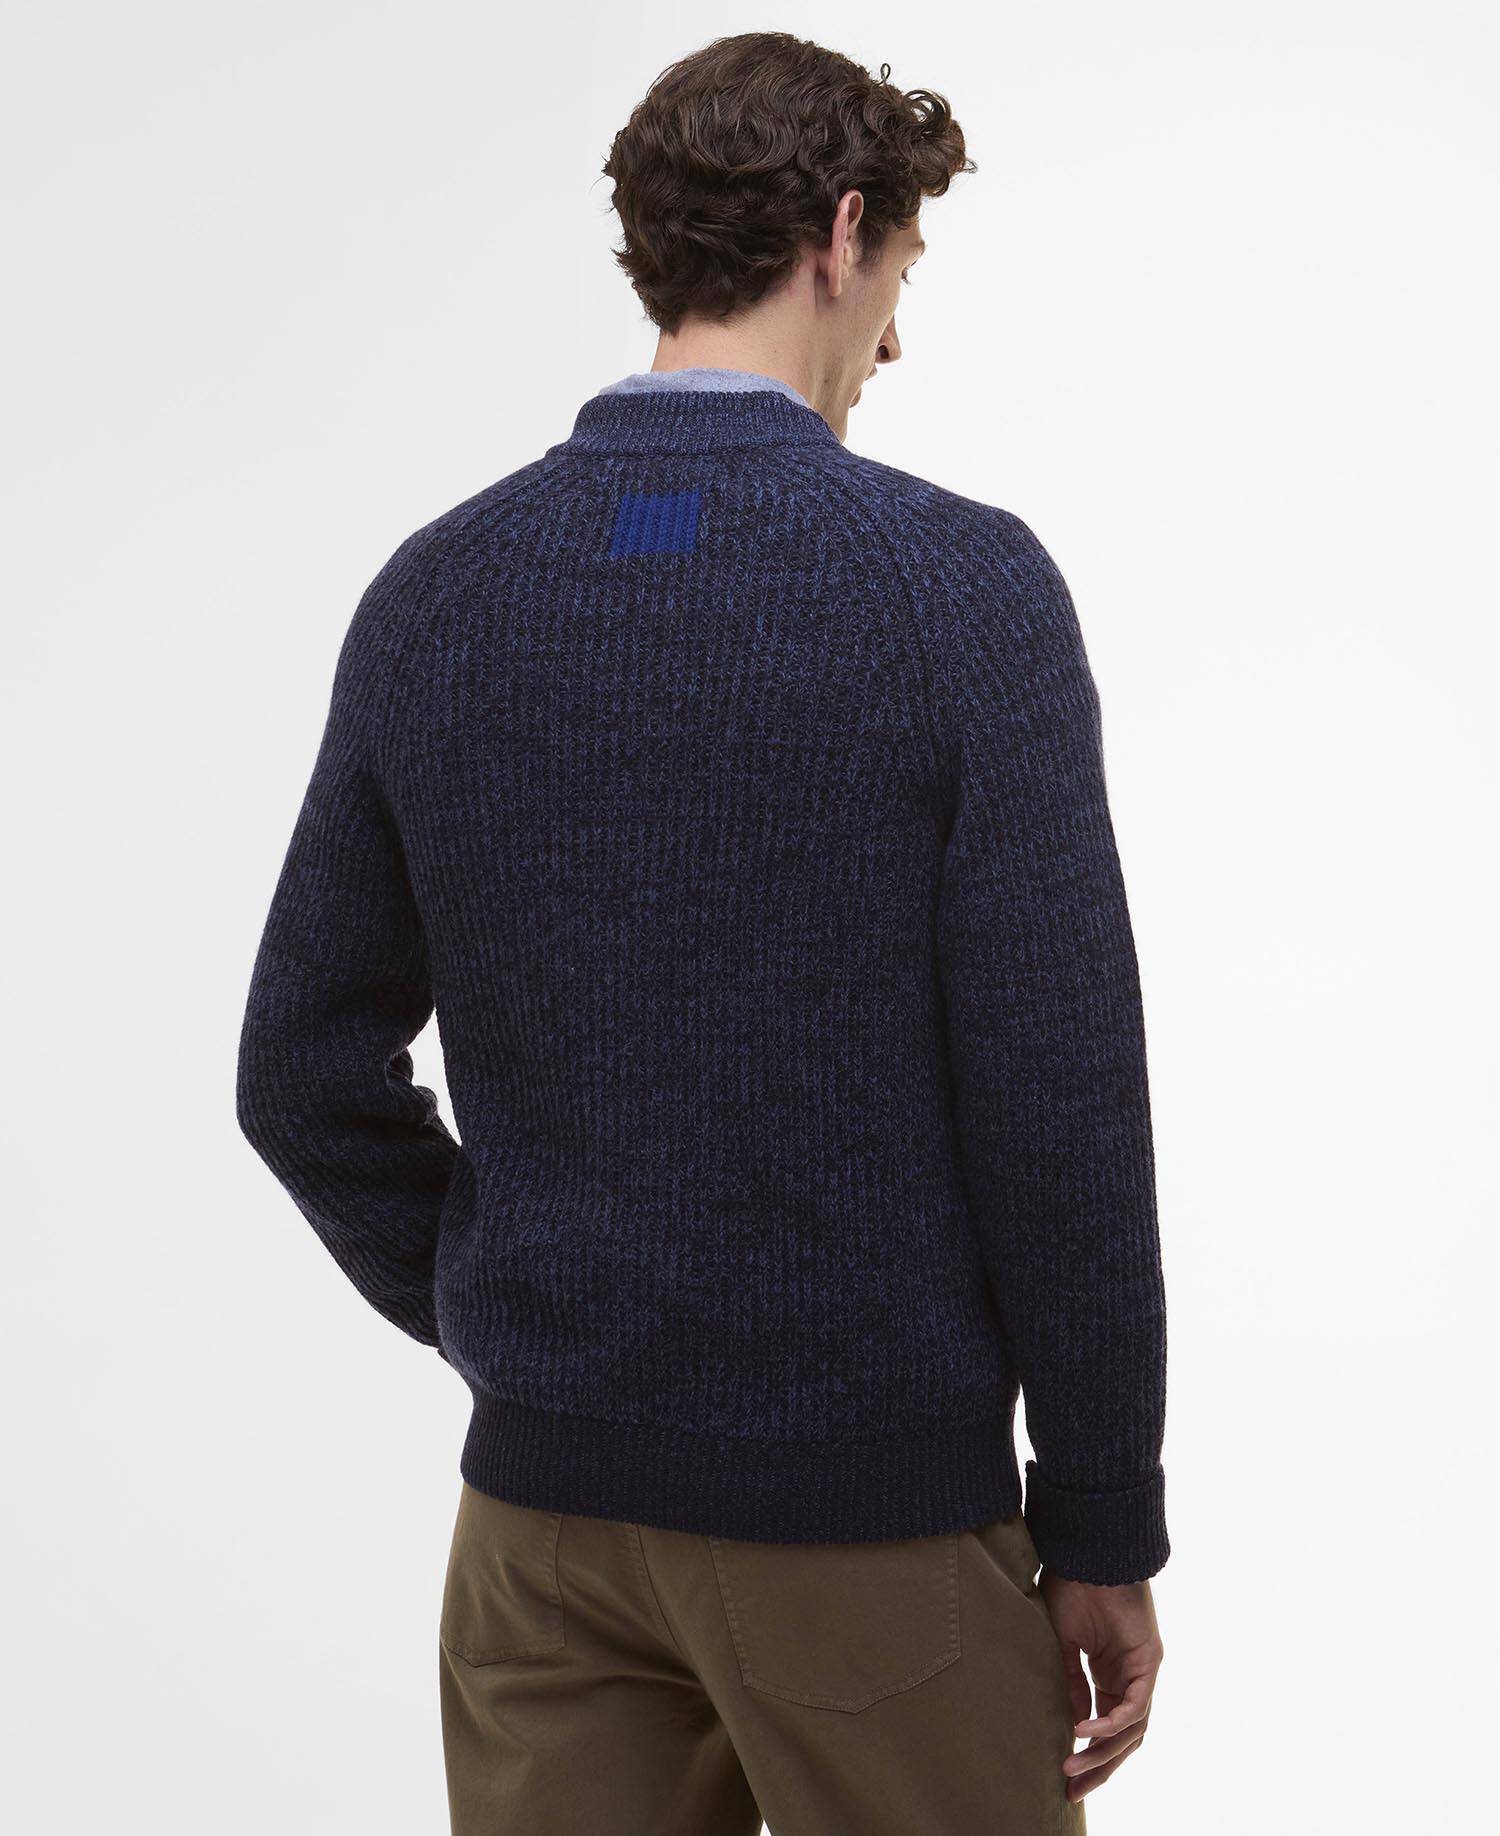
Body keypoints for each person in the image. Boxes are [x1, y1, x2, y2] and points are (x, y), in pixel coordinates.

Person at [236, 30, 1168, 1834]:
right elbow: (1059, 1107)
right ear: (844, 232)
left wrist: (517, 1311)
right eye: (900, 279)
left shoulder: (440, 592)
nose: (892, 340)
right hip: (869, 1532)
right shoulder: (960, 592)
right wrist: (1107, 1520)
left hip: (537, 1544)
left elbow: (297, 1071)